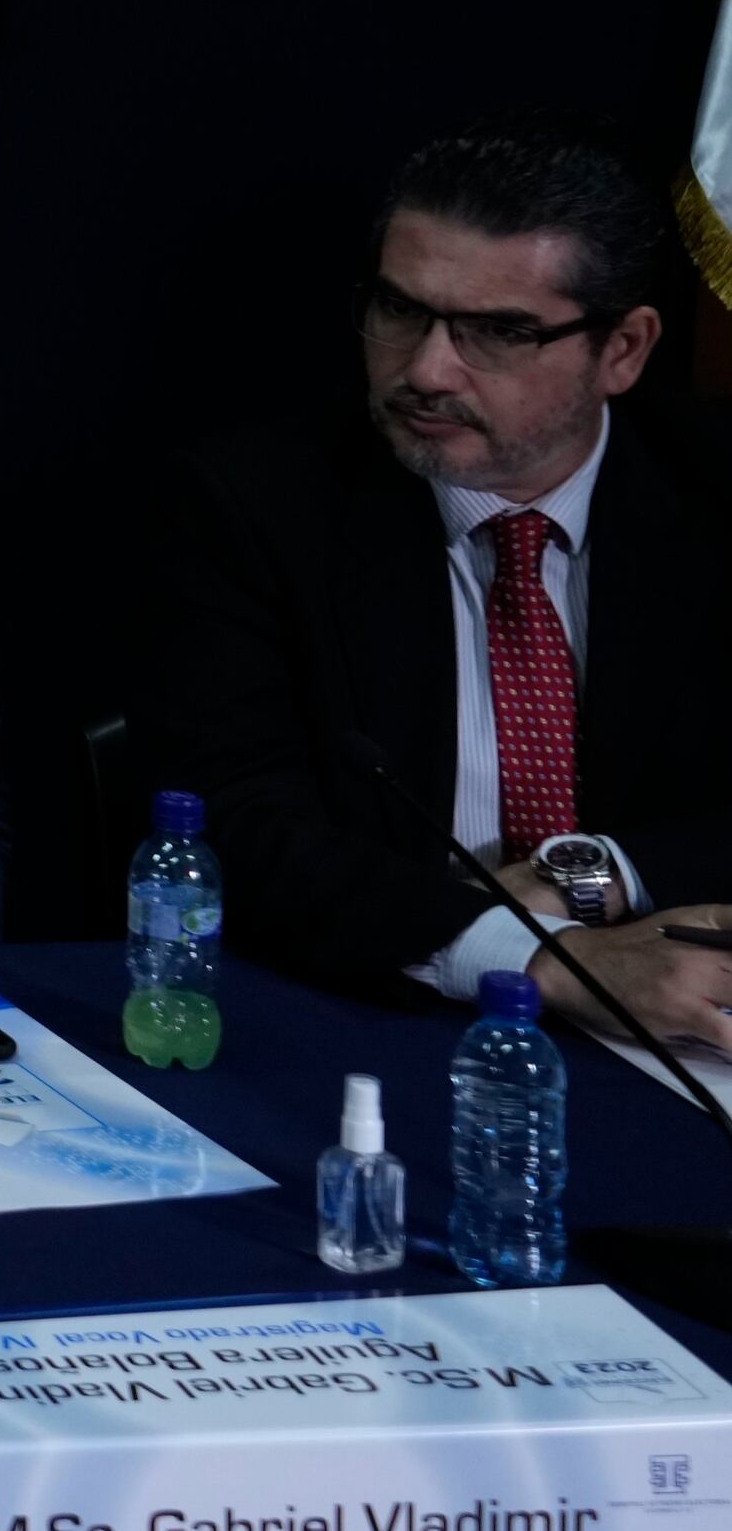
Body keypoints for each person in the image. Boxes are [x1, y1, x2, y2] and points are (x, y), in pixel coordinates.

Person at [144, 124, 732, 1033]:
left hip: (685, 1024)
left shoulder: (715, 493)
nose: (424, 369)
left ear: (623, 349)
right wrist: (541, 958)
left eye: (497, 332)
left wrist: (595, 873)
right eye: (400, 310)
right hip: (381, 1013)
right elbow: (238, 827)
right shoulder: (257, 506)